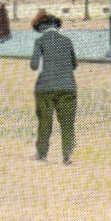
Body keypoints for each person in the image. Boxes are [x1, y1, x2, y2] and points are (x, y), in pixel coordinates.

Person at [29, 11, 78, 164]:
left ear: (42, 27)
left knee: (44, 121)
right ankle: (67, 156)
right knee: (67, 123)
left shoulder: (40, 41)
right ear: (56, 26)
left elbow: (34, 65)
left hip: (45, 88)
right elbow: (74, 64)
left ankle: (42, 153)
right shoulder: (67, 41)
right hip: (68, 87)